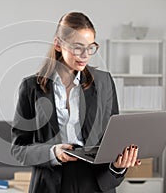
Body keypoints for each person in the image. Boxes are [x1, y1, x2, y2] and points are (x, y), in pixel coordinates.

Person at [11, 12, 141, 193]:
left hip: (95, 182)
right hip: (49, 183)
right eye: (78, 47)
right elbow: (19, 149)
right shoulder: (31, 87)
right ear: (58, 44)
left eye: (90, 47)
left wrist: (118, 166)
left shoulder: (104, 82)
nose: (85, 55)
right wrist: (53, 153)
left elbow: (112, 139)